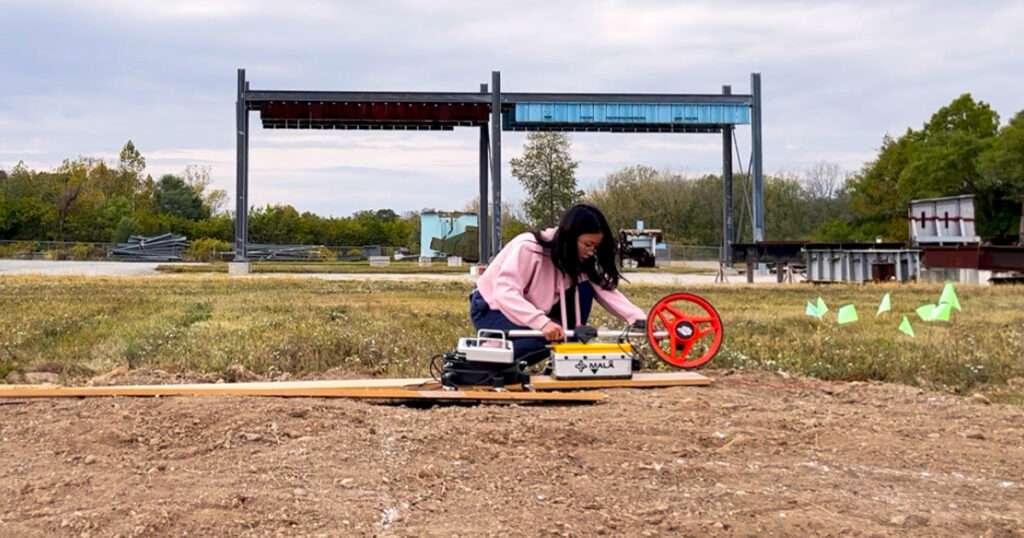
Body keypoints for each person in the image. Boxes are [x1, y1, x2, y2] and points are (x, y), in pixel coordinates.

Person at [469, 203, 647, 365]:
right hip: (492, 307)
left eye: (596, 246)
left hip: (533, 308)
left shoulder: (582, 258)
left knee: (585, 289)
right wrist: (542, 324)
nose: (592, 251)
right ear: (570, 238)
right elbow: (505, 293)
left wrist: (640, 320)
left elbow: (606, 291)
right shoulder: (529, 247)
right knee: (540, 341)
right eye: (588, 244)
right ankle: (480, 361)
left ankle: (567, 352)